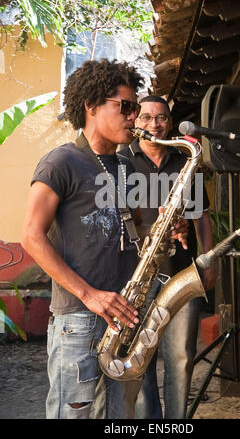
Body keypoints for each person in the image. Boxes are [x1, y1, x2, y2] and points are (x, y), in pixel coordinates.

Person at [21, 60, 188, 420]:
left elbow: (131, 229)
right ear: (92, 106)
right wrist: (90, 295)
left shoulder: (126, 166)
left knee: (121, 416)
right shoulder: (60, 162)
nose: (135, 116)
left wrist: (165, 230)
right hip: (79, 319)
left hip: (126, 316)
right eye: (126, 107)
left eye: (135, 107)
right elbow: (31, 237)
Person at [119, 95, 216, 419]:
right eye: (146, 118)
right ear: (136, 123)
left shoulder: (186, 161)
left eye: (161, 118)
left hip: (179, 274)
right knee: (140, 361)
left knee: (181, 358)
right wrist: (153, 228)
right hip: (136, 277)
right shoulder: (121, 163)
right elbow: (115, 219)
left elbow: (201, 215)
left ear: (170, 123)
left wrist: (208, 260)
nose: (154, 125)